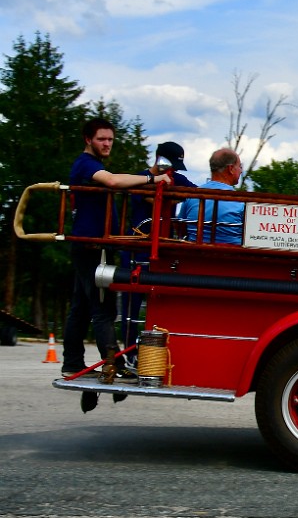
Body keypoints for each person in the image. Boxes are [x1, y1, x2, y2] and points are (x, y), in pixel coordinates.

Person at [63, 118, 173, 380]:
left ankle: (72, 362)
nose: (107, 143)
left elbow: (114, 179)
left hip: (92, 244)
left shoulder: (93, 165)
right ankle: (115, 363)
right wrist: (151, 177)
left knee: (81, 306)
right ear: (88, 139)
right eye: (101, 139)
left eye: (110, 139)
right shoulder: (86, 164)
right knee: (104, 307)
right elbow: (112, 181)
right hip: (90, 246)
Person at [120, 142, 197, 366]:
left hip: (161, 251)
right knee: (130, 305)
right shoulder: (140, 178)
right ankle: (128, 352)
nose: (171, 170)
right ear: (159, 160)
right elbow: (149, 198)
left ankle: (154, 353)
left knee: (160, 304)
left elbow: (194, 192)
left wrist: (172, 193)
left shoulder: (175, 178)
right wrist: (165, 191)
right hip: (136, 248)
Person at [179, 148, 244, 245]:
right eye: (240, 166)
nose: (241, 171)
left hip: (194, 254)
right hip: (231, 256)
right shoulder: (241, 202)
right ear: (230, 169)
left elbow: (181, 228)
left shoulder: (191, 196)